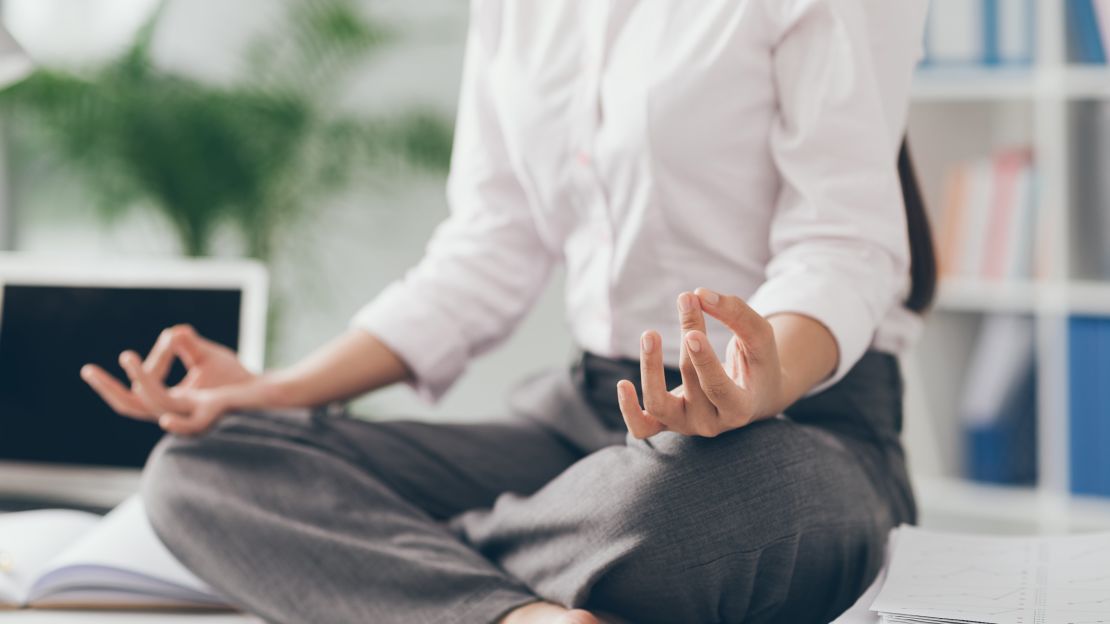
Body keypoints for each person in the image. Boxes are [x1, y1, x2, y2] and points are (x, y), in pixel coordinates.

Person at [81, 1, 933, 622]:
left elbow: (844, 243)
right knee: (204, 467)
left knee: (678, 512)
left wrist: (759, 381)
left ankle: (387, 557)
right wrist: (275, 390)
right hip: (588, 421)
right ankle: (519, 617)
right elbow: (489, 246)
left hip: (793, 426)